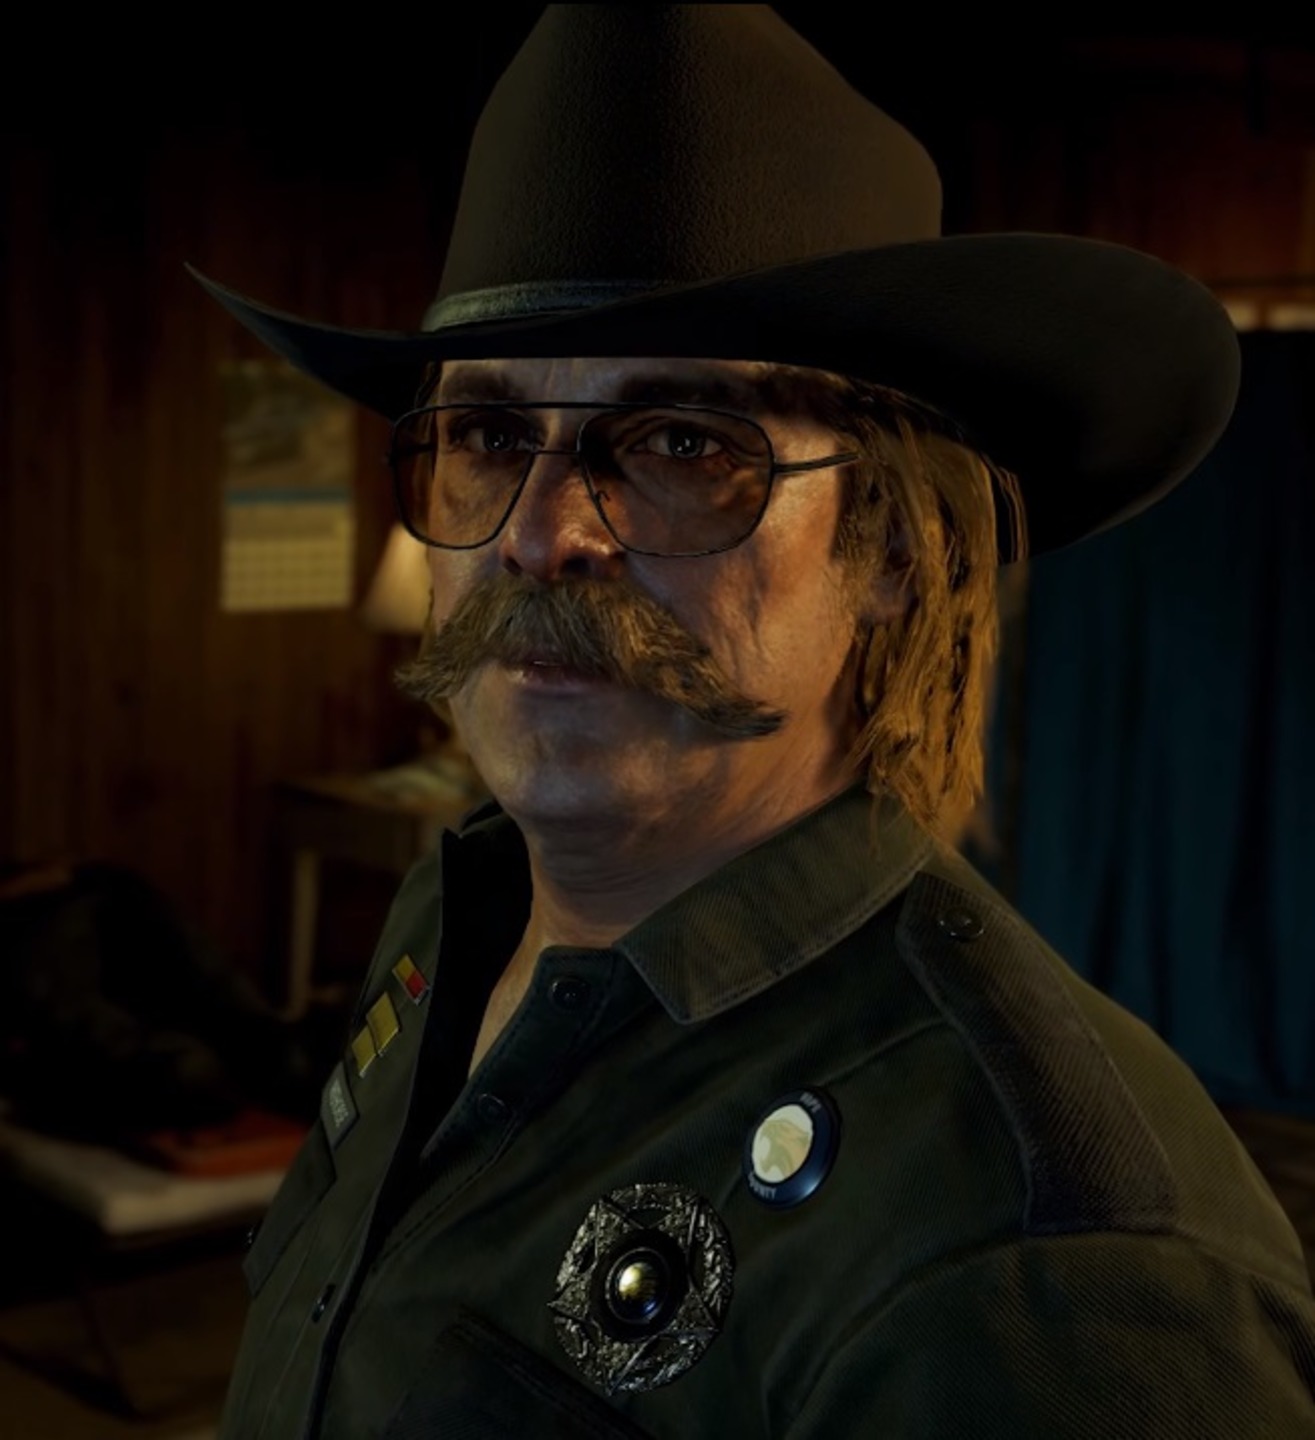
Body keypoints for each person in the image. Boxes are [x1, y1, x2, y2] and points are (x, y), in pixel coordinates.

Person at [193, 7, 1315, 1436]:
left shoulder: (1046, 1263)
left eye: (681, 444)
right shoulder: (452, 913)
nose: (539, 534)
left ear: (895, 543)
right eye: (488, 435)